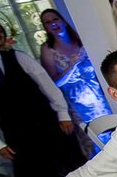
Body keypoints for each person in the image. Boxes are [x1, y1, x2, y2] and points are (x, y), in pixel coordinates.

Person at [0, 21, 86, 177]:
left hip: (49, 121)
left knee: (74, 162)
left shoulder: (18, 57)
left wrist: (63, 114)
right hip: (17, 133)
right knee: (46, 174)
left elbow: (47, 85)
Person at [38, 8, 113, 152]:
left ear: (63, 21)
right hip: (77, 103)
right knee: (94, 142)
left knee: (114, 132)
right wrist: (70, 66)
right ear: (45, 27)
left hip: (101, 96)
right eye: (47, 22)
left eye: (55, 19)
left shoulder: (81, 39)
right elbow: (54, 83)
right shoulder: (48, 49)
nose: (53, 24)